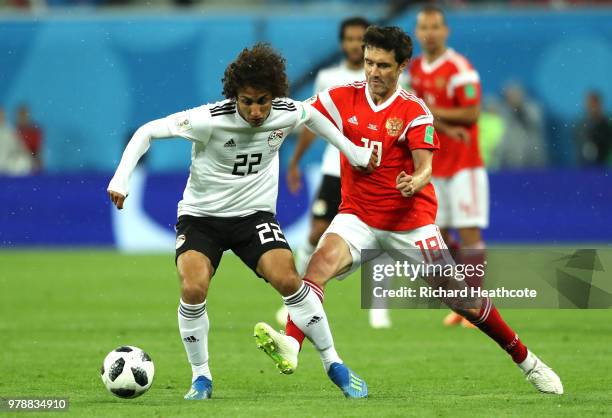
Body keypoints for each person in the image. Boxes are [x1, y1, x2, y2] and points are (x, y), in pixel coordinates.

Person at [255, 26, 563, 395]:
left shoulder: (414, 111)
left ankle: (527, 360)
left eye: (383, 65)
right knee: (315, 269)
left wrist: (416, 180)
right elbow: (303, 117)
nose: (373, 72)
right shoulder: (341, 97)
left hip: (411, 225)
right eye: (369, 63)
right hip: (359, 217)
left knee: (462, 299)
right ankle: (292, 344)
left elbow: (425, 166)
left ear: (402, 66)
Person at [107, 44, 376, 400]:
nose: (256, 110)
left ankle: (334, 364)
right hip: (201, 219)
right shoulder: (208, 119)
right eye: (247, 101)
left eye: (263, 100)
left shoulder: (285, 112)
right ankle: (201, 378)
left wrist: (353, 152)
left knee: (289, 279)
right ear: (234, 96)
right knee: (193, 288)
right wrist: (122, 178)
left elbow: (312, 117)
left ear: (274, 95)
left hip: (254, 217)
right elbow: (146, 132)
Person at [281, 16, 391, 329]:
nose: (355, 45)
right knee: (316, 232)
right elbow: (312, 123)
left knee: (379, 236)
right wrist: (295, 162)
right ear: (342, 42)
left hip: (373, 169)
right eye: (350, 38)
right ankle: (296, 299)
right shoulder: (330, 77)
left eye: (361, 39)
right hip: (335, 167)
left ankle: (378, 306)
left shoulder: (386, 78)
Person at [407, 5, 488, 328]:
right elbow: (417, 113)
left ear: (446, 31)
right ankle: (461, 299)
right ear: (417, 32)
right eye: (424, 27)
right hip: (432, 166)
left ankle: (476, 302)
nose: (429, 33)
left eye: (435, 27)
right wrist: (436, 119)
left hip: (464, 166)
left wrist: (432, 112)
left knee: (468, 233)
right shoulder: (414, 69)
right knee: (437, 234)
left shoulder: (459, 68)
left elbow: (471, 113)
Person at [495, 82, 548, 169]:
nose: (513, 98)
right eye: (510, 95)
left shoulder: (533, 109)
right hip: (510, 162)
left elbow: (535, 123)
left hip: (534, 160)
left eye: (516, 94)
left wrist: (519, 109)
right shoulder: (501, 112)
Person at [574, 90, 611, 166]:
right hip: (586, 168)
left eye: (595, 104)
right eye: (590, 105)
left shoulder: (608, 124)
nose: (592, 108)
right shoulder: (580, 126)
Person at [0, 107, 33, 175]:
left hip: (7, 164)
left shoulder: (9, 131)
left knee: (24, 161)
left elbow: (20, 148)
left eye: (2, 115)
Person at [16, 104, 44, 173]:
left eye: (25, 114)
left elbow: (38, 150)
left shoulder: (34, 131)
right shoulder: (12, 131)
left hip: (30, 161)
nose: (23, 117)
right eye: (21, 114)